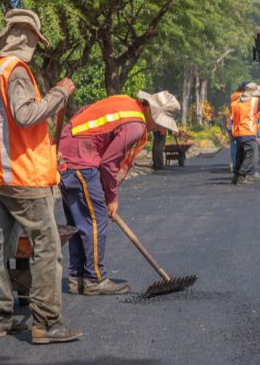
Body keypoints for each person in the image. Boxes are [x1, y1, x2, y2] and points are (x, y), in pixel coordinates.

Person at [0, 8, 82, 344]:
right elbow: (25, 116)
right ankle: (46, 323)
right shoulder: (16, 72)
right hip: (22, 177)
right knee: (47, 246)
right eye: (35, 37)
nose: (36, 44)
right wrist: (60, 92)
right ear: (25, 37)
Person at [58, 91, 180, 295]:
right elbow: (108, 163)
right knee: (96, 222)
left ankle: (77, 277)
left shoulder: (125, 102)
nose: (158, 128)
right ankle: (94, 279)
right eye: (160, 122)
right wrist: (111, 198)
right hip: (81, 161)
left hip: (65, 157)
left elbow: (84, 111)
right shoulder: (135, 124)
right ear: (150, 109)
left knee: (79, 223)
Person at [230, 83, 260, 184]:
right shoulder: (255, 101)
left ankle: (235, 176)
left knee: (240, 155)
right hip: (248, 132)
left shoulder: (235, 103)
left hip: (238, 133)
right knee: (251, 155)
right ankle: (242, 177)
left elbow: (234, 118)